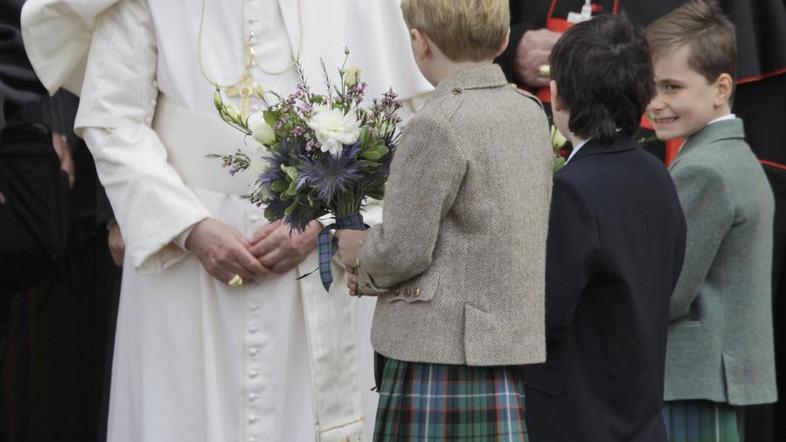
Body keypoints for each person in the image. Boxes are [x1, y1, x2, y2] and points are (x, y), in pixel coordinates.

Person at [21, 0, 433, 441]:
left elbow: (403, 124)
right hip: (185, 267)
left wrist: (324, 218)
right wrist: (188, 228)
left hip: (319, 261)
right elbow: (112, 121)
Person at [335, 0, 553, 439]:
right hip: (501, 352)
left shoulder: (437, 123)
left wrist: (358, 255)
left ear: (419, 41)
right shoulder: (530, 113)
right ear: (505, 38)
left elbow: (402, 249)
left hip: (436, 354)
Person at [520, 14, 687, 442]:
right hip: (641, 415)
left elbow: (544, 315)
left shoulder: (573, 191)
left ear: (558, 98)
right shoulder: (657, 174)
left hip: (580, 416)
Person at [645, 2, 778, 441]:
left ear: (721, 87)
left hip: (692, 381)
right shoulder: (728, 156)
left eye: (671, 87)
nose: (655, 103)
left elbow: (666, 291)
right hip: (708, 380)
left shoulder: (705, 169)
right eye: (651, 87)